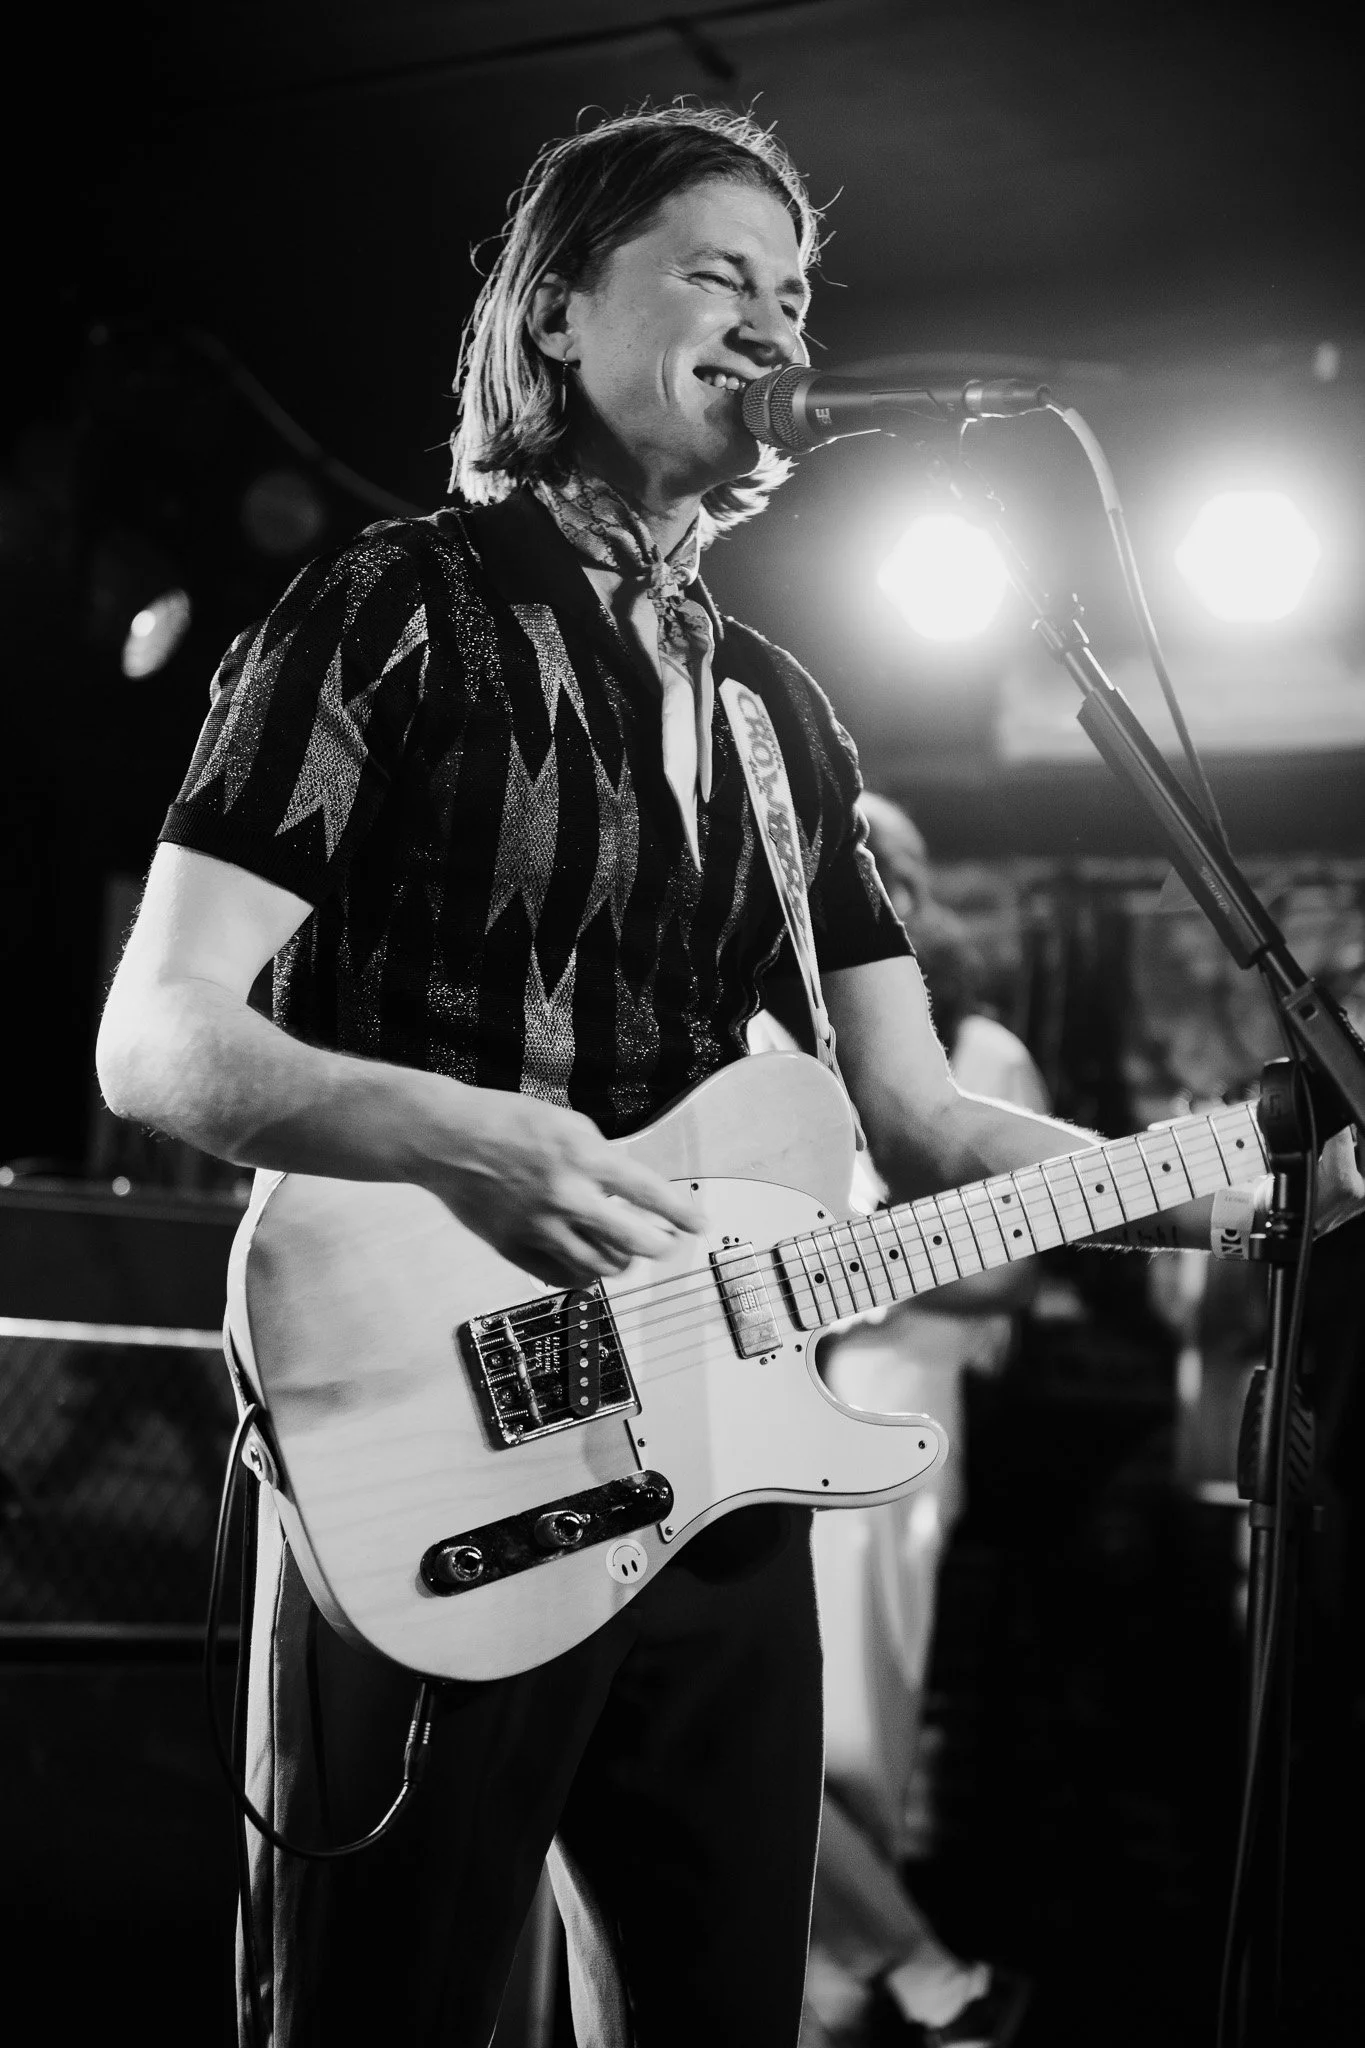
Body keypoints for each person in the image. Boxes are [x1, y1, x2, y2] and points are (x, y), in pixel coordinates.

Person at [94, 104, 1362, 2048]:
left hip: (709, 1481)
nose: (775, 321)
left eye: (795, 290)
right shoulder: (390, 610)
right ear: (556, 312)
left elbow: (922, 1122)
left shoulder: (783, 716)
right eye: (715, 273)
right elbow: (155, 1034)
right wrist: (454, 1131)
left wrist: (1232, 1174)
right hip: (431, 1430)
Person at [801, 797, 1044, 2048]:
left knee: (852, 1744)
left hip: (894, 1404)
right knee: (774, 1728)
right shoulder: (789, 1050)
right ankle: (892, 1985)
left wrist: (842, 1273)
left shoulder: (980, 1052)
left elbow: (1011, 1272)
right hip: (776, 1411)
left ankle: (907, 1982)